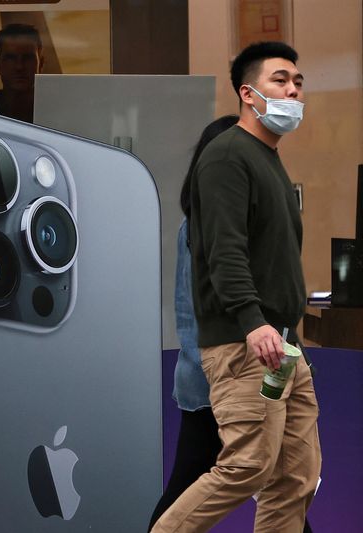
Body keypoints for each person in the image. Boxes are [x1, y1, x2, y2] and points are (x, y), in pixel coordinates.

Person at [151, 41, 321, 532]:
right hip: (250, 346)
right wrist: (252, 322)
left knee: (295, 475)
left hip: (283, 345)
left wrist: (287, 336)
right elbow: (225, 253)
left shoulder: (267, 159)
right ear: (248, 93)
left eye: (297, 81)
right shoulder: (228, 157)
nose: (292, 90)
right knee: (247, 465)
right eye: (279, 80)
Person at [0, 24, 44, 123]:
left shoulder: (55, 112)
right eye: (10, 58)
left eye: (28, 58)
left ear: (40, 64)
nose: (19, 66)